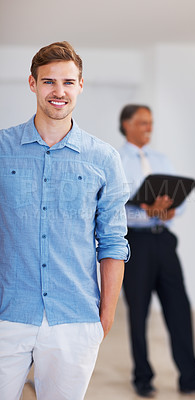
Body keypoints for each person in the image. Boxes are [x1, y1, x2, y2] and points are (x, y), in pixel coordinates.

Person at [0, 41, 129, 400]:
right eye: (49, 82)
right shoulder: (2, 149)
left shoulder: (103, 159)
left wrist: (105, 316)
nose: (59, 92)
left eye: (68, 82)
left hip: (75, 316)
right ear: (32, 83)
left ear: (81, 85)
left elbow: (114, 241)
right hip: (7, 312)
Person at [118, 104, 195, 398]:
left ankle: (189, 376)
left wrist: (167, 212)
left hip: (164, 241)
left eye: (151, 123)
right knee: (138, 312)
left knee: (179, 307)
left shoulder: (161, 158)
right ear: (126, 124)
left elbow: (182, 201)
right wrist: (146, 212)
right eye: (142, 123)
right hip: (135, 244)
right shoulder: (115, 160)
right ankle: (142, 377)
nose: (148, 128)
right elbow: (112, 209)